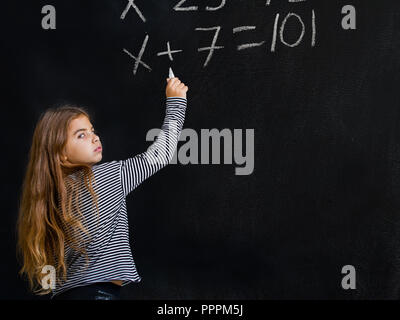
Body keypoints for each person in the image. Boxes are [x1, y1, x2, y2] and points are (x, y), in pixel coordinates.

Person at [16, 77, 189, 300]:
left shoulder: (45, 202)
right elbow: (161, 154)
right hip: (99, 295)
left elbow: (47, 272)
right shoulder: (105, 177)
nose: (94, 136)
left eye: (92, 130)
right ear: (61, 154)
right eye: (81, 135)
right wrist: (176, 102)